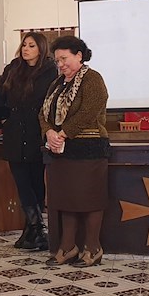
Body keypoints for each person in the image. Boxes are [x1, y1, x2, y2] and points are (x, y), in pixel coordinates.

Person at [39, 36, 110, 268]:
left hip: (89, 149)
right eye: (57, 60)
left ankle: (93, 248)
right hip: (61, 150)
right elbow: (43, 112)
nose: (60, 64)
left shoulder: (93, 79)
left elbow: (90, 110)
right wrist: (49, 131)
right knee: (66, 199)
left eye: (64, 59)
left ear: (79, 55)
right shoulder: (57, 83)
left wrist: (63, 133)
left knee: (89, 200)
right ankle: (68, 248)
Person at [0, 32, 57, 250]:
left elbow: (49, 101)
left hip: (36, 131)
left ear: (40, 48)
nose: (26, 48)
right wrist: (1, 115)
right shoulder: (13, 68)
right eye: (24, 45)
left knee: (37, 182)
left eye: (31, 45)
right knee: (21, 181)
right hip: (14, 133)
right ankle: (36, 229)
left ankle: (32, 232)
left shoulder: (49, 70)